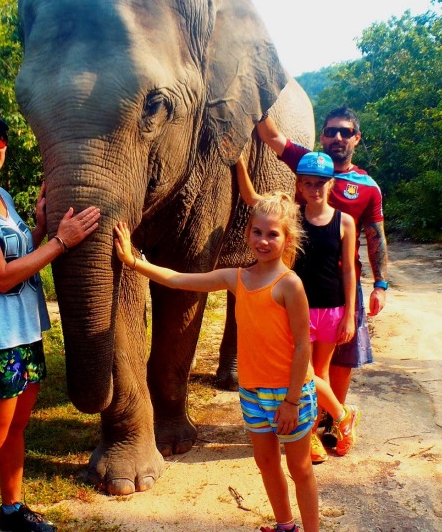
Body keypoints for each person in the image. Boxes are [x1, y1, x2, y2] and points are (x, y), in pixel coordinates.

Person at [115, 193, 319, 532]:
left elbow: (302, 347)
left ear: (287, 239)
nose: (264, 241)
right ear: (247, 234)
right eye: (257, 232)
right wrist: (134, 261)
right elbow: (179, 279)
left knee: (300, 469)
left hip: (291, 395)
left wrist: (292, 402)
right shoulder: (236, 278)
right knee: (266, 464)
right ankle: (286, 526)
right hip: (253, 393)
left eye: (273, 234)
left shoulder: (290, 285)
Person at [0, 103, 101, 532]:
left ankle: (12, 511)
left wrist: (38, 228)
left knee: (15, 430)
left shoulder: (2, 197)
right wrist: (60, 242)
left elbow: (16, 254)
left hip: (24, 333)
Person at [254, 105, 388, 446]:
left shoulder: (367, 187)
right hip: (302, 290)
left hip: (341, 290)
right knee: (304, 363)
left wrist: (380, 284)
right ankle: (322, 422)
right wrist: (259, 99)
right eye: (331, 131)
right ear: (322, 136)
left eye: (345, 131)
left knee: (340, 358)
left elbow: (375, 235)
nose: (337, 137)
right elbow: (271, 136)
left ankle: (332, 418)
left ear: (357, 138)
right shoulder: (306, 162)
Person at [236, 151, 359, 463]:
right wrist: (238, 159)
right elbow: (252, 198)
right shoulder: (291, 217)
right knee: (304, 372)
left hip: (331, 308)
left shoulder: (345, 222)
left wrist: (349, 315)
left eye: (320, 183)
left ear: (331, 184)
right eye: (307, 183)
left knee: (319, 372)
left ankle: (315, 432)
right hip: (296, 309)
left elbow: (348, 271)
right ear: (299, 185)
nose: (314, 189)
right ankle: (341, 415)